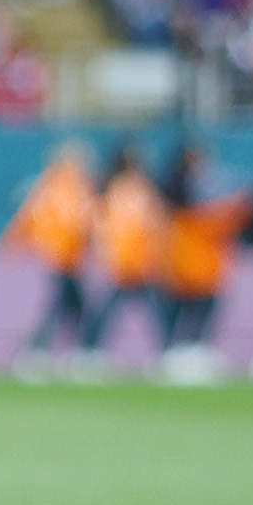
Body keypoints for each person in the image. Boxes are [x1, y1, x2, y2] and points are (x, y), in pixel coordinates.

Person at [156, 148, 249, 380]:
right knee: (195, 310)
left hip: (189, 264)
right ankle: (186, 350)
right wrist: (234, 208)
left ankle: (181, 349)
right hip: (196, 266)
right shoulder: (190, 200)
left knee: (185, 310)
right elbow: (211, 222)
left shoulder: (179, 202)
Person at [9, 138, 102, 369]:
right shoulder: (66, 186)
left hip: (65, 257)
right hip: (59, 256)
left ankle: (80, 348)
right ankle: (44, 349)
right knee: (60, 305)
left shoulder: (55, 185)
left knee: (72, 305)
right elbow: (78, 221)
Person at [93, 143, 167, 365]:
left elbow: (152, 224)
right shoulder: (121, 189)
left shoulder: (136, 189)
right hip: (126, 260)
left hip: (137, 259)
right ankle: (90, 348)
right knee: (114, 308)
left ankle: (166, 349)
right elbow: (108, 226)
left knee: (153, 309)